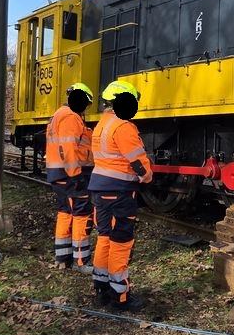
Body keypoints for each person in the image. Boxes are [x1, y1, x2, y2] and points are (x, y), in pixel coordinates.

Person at [89, 80, 153, 311]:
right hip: (118, 191)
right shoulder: (123, 126)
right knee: (121, 242)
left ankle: (101, 286)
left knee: (105, 237)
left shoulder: (101, 124)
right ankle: (120, 295)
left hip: (100, 189)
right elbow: (137, 160)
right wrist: (147, 176)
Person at [45, 82, 95, 274]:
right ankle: (82, 261)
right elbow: (69, 147)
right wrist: (76, 176)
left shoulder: (58, 115)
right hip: (70, 175)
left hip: (58, 173)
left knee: (65, 211)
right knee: (81, 213)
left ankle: (62, 257)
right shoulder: (70, 117)